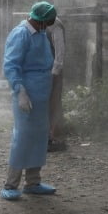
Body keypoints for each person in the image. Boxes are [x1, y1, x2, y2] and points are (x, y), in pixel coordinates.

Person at [1, 1, 58, 200]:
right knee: (23, 137)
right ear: (40, 20)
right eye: (48, 22)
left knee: (39, 136)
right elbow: (10, 65)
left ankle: (33, 181)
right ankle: (11, 183)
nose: (49, 26)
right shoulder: (21, 34)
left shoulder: (40, 33)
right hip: (27, 92)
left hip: (41, 93)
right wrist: (20, 91)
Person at [46, 15, 66, 152]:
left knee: (54, 103)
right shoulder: (44, 23)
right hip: (45, 70)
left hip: (53, 71)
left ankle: (55, 137)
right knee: (48, 103)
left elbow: (59, 50)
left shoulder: (55, 25)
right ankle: (47, 136)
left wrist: (55, 71)